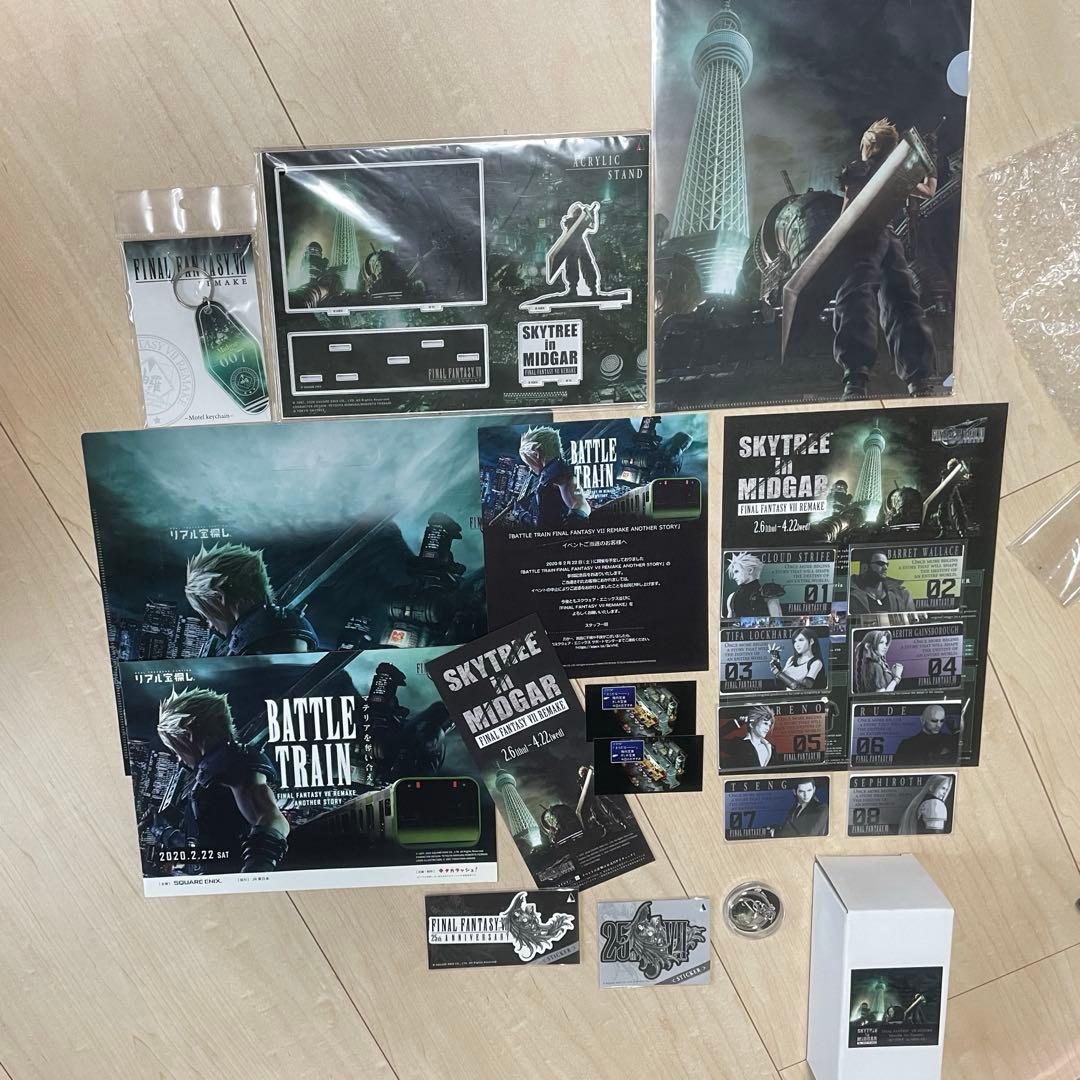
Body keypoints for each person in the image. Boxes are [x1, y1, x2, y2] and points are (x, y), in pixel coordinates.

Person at [833, 118, 938, 401]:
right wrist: (930, 163)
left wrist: (838, 245)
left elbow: (848, 211)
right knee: (901, 302)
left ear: (870, 143)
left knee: (857, 298)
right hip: (889, 240)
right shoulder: (898, 173)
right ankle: (919, 381)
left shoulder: (860, 169)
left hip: (863, 235)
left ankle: (856, 381)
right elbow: (929, 190)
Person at [155, 687, 290, 872]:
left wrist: (253, 874)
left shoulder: (234, 762)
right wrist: (167, 835)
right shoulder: (210, 774)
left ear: (188, 735)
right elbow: (208, 841)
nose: (179, 758)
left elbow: (272, 820)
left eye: (175, 747)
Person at [185, 542, 319, 656]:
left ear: (219, 597)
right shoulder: (265, 629)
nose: (210, 624)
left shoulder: (273, 631)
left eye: (206, 614)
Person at [518, 426, 591, 530]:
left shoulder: (559, 473)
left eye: (528, 462)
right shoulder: (550, 475)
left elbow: (581, 505)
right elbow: (540, 521)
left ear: (536, 454)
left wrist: (569, 529)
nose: (530, 468)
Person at [893, 704, 964, 766]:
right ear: (922, 720)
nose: (939, 725)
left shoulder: (950, 740)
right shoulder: (907, 745)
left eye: (941, 721)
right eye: (934, 721)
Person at [849, 551, 915, 616]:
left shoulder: (902, 595)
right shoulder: (850, 595)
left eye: (887, 564)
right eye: (880, 563)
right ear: (865, 567)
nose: (885, 568)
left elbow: (913, 620)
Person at [724, 552, 784, 618]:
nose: (734, 577)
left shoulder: (767, 592)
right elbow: (729, 622)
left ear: (750, 570)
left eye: (736, 571)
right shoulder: (732, 597)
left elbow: (777, 620)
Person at [718, 704, 775, 770]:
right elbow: (714, 739)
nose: (768, 728)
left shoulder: (771, 748)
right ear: (752, 724)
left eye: (769, 725)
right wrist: (737, 723)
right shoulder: (738, 745)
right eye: (765, 723)